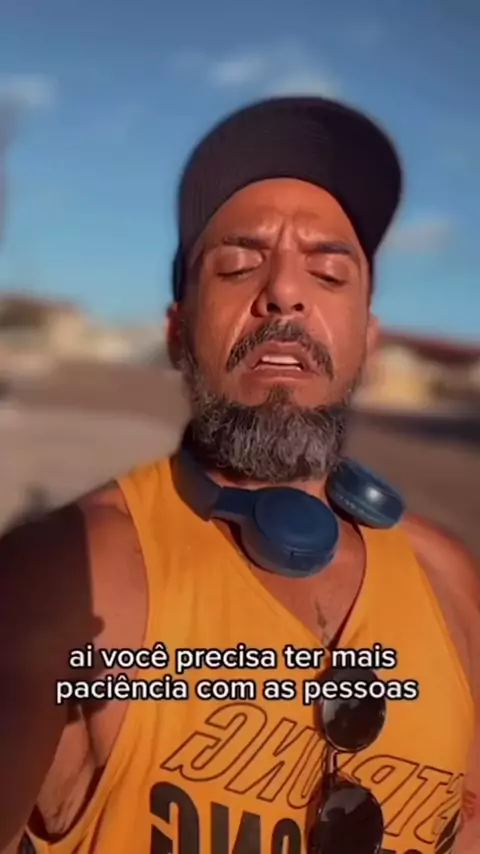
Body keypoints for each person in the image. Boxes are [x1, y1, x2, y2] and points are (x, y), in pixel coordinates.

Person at [1, 96, 479, 854]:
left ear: (367, 339)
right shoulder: (61, 577)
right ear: (177, 332)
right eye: (237, 265)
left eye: (329, 272)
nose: (285, 292)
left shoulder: (449, 579)